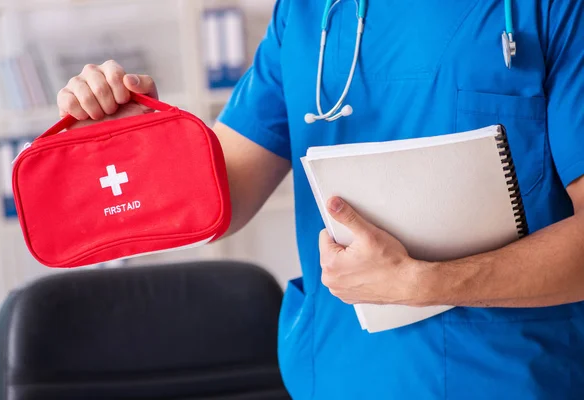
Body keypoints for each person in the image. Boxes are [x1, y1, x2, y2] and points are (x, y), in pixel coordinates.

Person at [57, 1, 584, 398]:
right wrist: (139, 140)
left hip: (511, 377)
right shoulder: (309, 13)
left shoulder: (554, 10)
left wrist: (426, 283)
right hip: (339, 374)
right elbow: (218, 200)